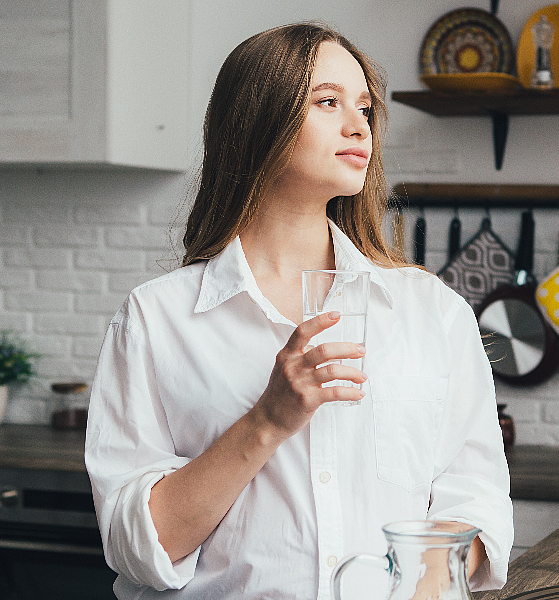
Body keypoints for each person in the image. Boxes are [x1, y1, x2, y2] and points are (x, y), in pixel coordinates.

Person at [85, 23, 513, 599]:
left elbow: (476, 500)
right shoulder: (155, 320)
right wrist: (268, 420)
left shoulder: (431, 312)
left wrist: (419, 580)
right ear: (258, 120)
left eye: (364, 106)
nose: (359, 125)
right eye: (327, 102)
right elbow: (139, 546)